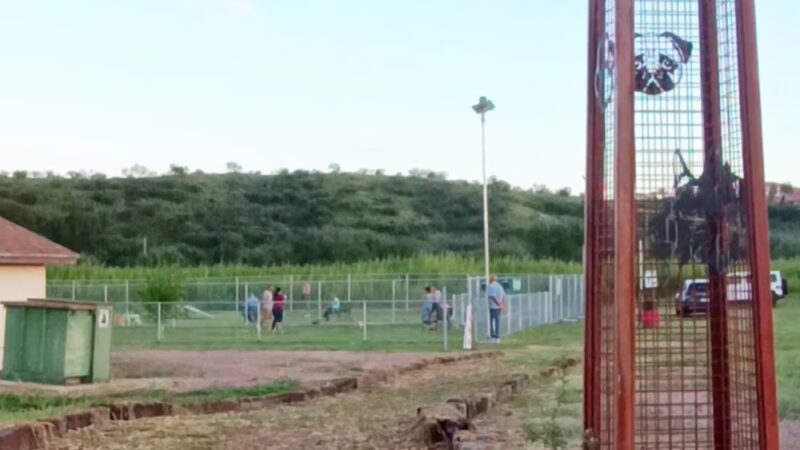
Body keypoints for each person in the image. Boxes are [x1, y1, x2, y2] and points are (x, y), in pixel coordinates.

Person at [487, 275, 506, 343]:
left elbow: (492, 296)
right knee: (497, 322)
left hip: (493, 307)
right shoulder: (500, 286)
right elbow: (504, 296)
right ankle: (497, 337)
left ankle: (493, 336)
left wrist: (498, 303)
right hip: (499, 307)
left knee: (491, 322)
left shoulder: (491, 286)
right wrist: (502, 304)